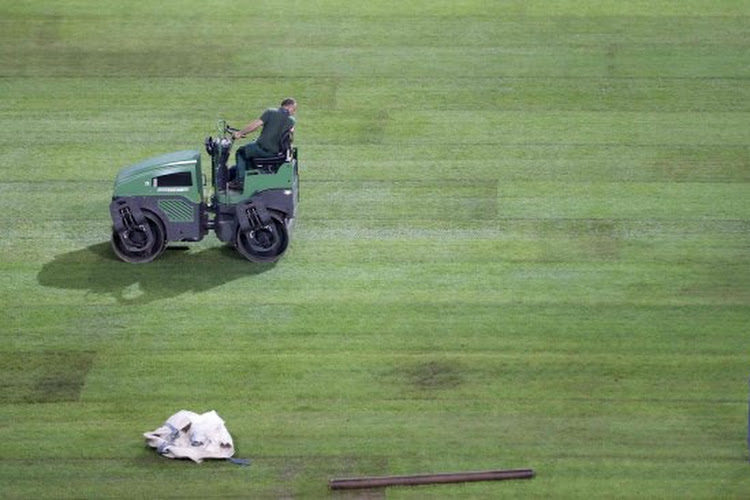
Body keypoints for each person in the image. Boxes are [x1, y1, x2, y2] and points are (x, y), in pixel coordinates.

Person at [229, 98, 297, 189]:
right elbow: (290, 136)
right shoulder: (291, 121)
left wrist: (240, 133)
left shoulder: (271, 112)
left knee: (241, 152)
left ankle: (240, 181)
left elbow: (255, 125)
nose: (294, 112)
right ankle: (248, 178)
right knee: (249, 152)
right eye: (294, 109)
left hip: (264, 150)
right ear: (289, 107)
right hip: (275, 151)